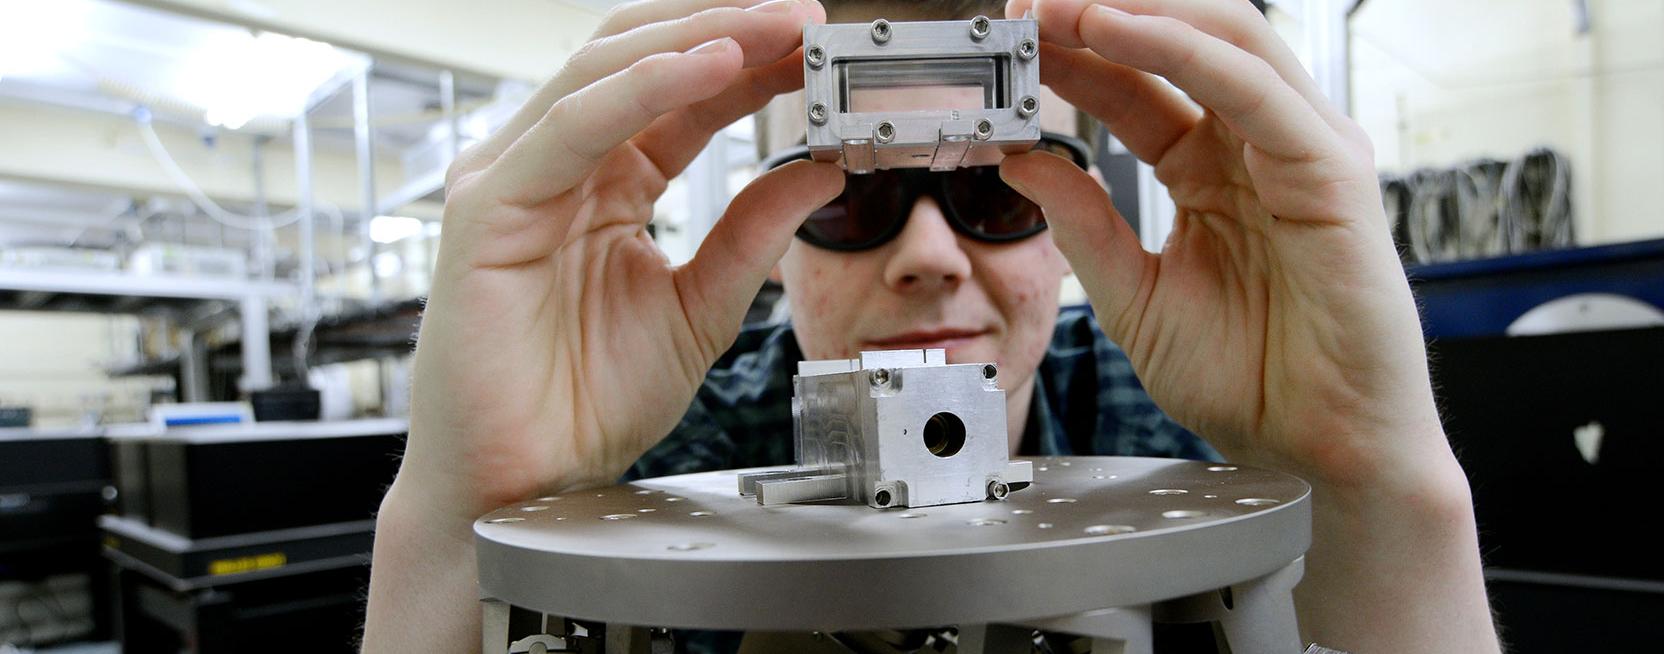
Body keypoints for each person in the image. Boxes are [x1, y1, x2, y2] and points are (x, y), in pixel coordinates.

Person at [361, 0, 1503, 652]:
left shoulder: (1187, 429)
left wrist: (1356, 481)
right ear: (775, 234)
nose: (928, 256)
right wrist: (473, 510)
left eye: (998, 193)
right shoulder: (656, 460)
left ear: (1072, 223)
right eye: (853, 195)